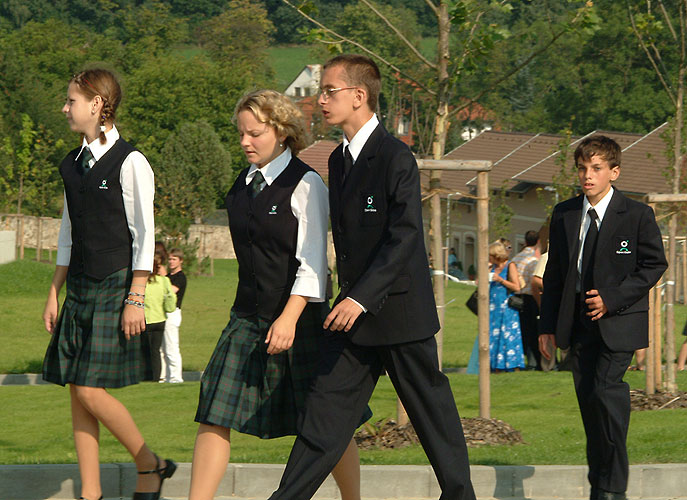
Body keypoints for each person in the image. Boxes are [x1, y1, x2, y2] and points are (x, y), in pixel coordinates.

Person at [268, 54, 476, 500]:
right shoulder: (339, 160)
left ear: (359, 96)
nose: (320, 99)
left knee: (433, 419)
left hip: (399, 315)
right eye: (321, 91)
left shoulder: (396, 157)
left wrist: (359, 298)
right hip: (353, 321)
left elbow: (404, 239)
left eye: (329, 91)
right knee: (322, 418)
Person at [188, 89, 364, 500]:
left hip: (302, 323)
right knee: (214, 411)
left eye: (256, 134)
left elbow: (314, 265)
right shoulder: (243, 183)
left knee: (325, 422)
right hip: (247, 317)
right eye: (242, 134)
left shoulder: (306, 185)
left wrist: (287, 318)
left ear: (282, 132)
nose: (246, 142)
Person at [41, 68, 176, 500]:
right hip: (78, 286)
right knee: (77, 394)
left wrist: (136, 295)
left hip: (116, 282)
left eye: (72, 101)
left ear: (97, 104)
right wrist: (53, 291)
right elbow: (68, 231)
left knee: (87, 387)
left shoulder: (131, 161)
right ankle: (91, 494)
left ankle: (148, 463)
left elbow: (144, 233)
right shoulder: (72, 163)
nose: (65, 108)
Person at [540, 135, 667, 500]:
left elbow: (654, 264)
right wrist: (546, 327)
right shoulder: (564, 213)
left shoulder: (637, 214)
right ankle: (602, 484)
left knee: (606, 394)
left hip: (619, 323)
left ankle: (612, 489)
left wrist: (612, 299)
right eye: (582, 168)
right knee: (590, 407)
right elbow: (555, 275)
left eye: (596, 169)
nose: (587, 176)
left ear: (614, 172)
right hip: (577, 325)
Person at [488, 240, 526, 372]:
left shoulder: (510, 266)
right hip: (493, 308)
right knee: (493, 336)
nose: (489, 258)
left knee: (507, 335)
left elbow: (517, 287)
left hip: (506, 308)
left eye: (490, 256)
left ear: (496, 255)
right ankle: (494, 365)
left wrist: (501, 280)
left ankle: (511, 364)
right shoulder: (491, 267)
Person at [142, 249, 177, 382]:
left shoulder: (141, 282)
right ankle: (156, 378)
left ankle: (145, 377)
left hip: (145, 319)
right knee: (155, 351)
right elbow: (170, 304)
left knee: (144, 351)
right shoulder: (164, 281)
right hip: (160, 319)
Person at [511, 230, 541, 369]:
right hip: (530, 298)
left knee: (522, 330)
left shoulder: (517, 258)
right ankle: (534, 361)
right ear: (538, 242)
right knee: (533, 331)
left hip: (516, 297)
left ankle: (523, 359)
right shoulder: (534, 261)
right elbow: (533, 283)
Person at [160, 247, 186, 383]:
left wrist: (163, 278)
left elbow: (170, 292)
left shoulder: (180, 277)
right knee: (162, 349)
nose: (171, 262)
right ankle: (163, 377)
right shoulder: (169, 277)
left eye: (174, 259)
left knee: (171, 347)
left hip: (173, 312)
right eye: (169, 259)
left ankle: (176, 378)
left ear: (180, 261)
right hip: (162, 312)